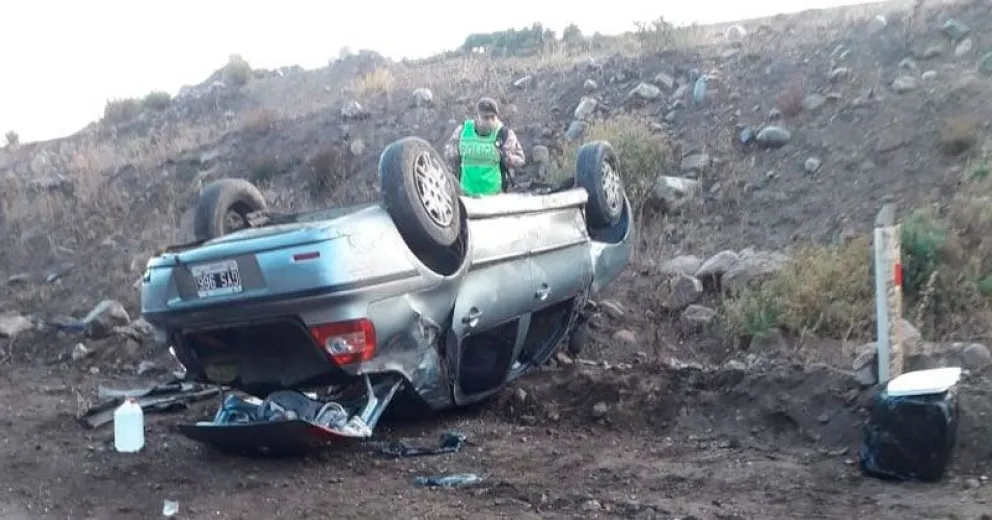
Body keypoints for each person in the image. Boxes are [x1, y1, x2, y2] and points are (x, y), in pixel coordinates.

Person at [443, 97, 526, 196]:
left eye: (493, 117)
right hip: (466, 196)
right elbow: (449, 159)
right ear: (477, 117)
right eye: (486, 118)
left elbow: (521, 160)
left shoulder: (504, 134)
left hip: (495, 196)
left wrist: (507, 158)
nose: (490, 121)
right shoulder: (462, 131)